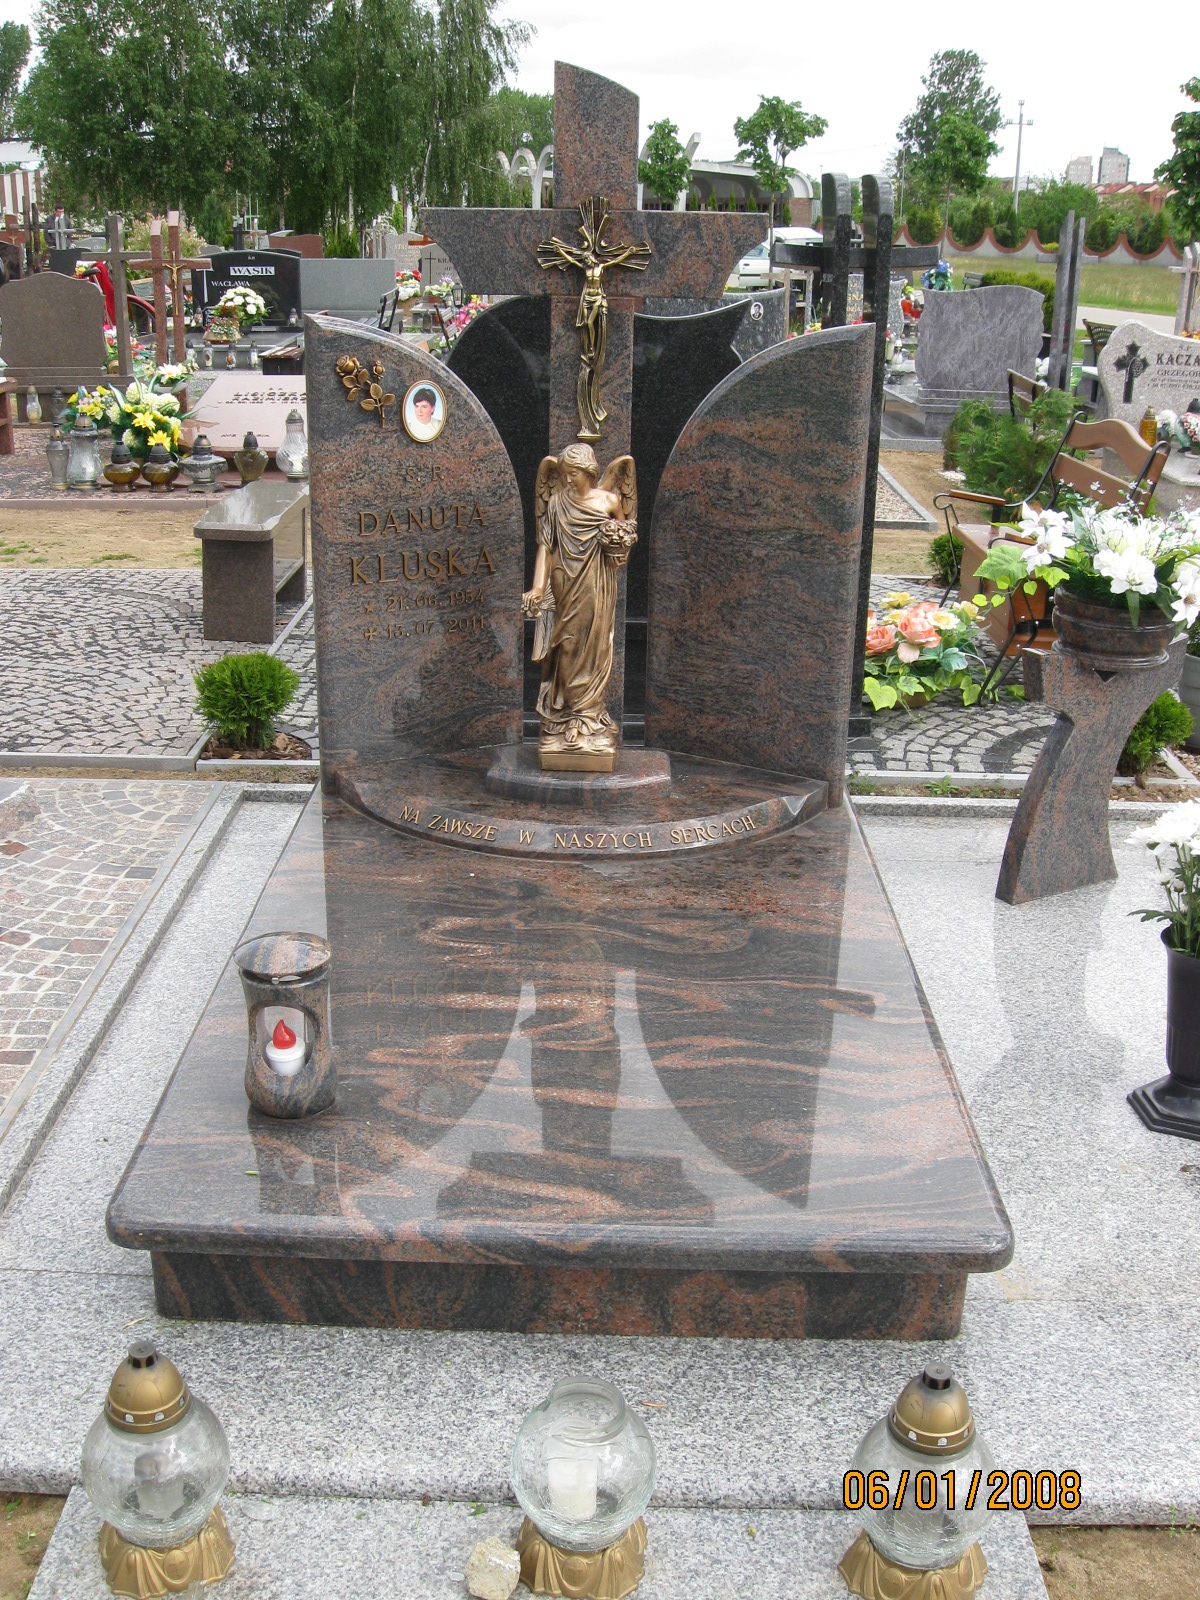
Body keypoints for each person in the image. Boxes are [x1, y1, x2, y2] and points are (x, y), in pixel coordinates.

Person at [522, 443, 637, 768]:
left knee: (596, 646)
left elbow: (626, 535)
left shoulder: (609, 501)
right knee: (567, 646)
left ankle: (586, 717)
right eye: (564, 474)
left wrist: (619, 544)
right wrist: (537, 586)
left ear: (588, 471)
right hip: (565, 583)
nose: (568, 479)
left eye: (573, 473)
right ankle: (564, 717)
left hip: (597, 583)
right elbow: (545, 547)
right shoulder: (556, 503)